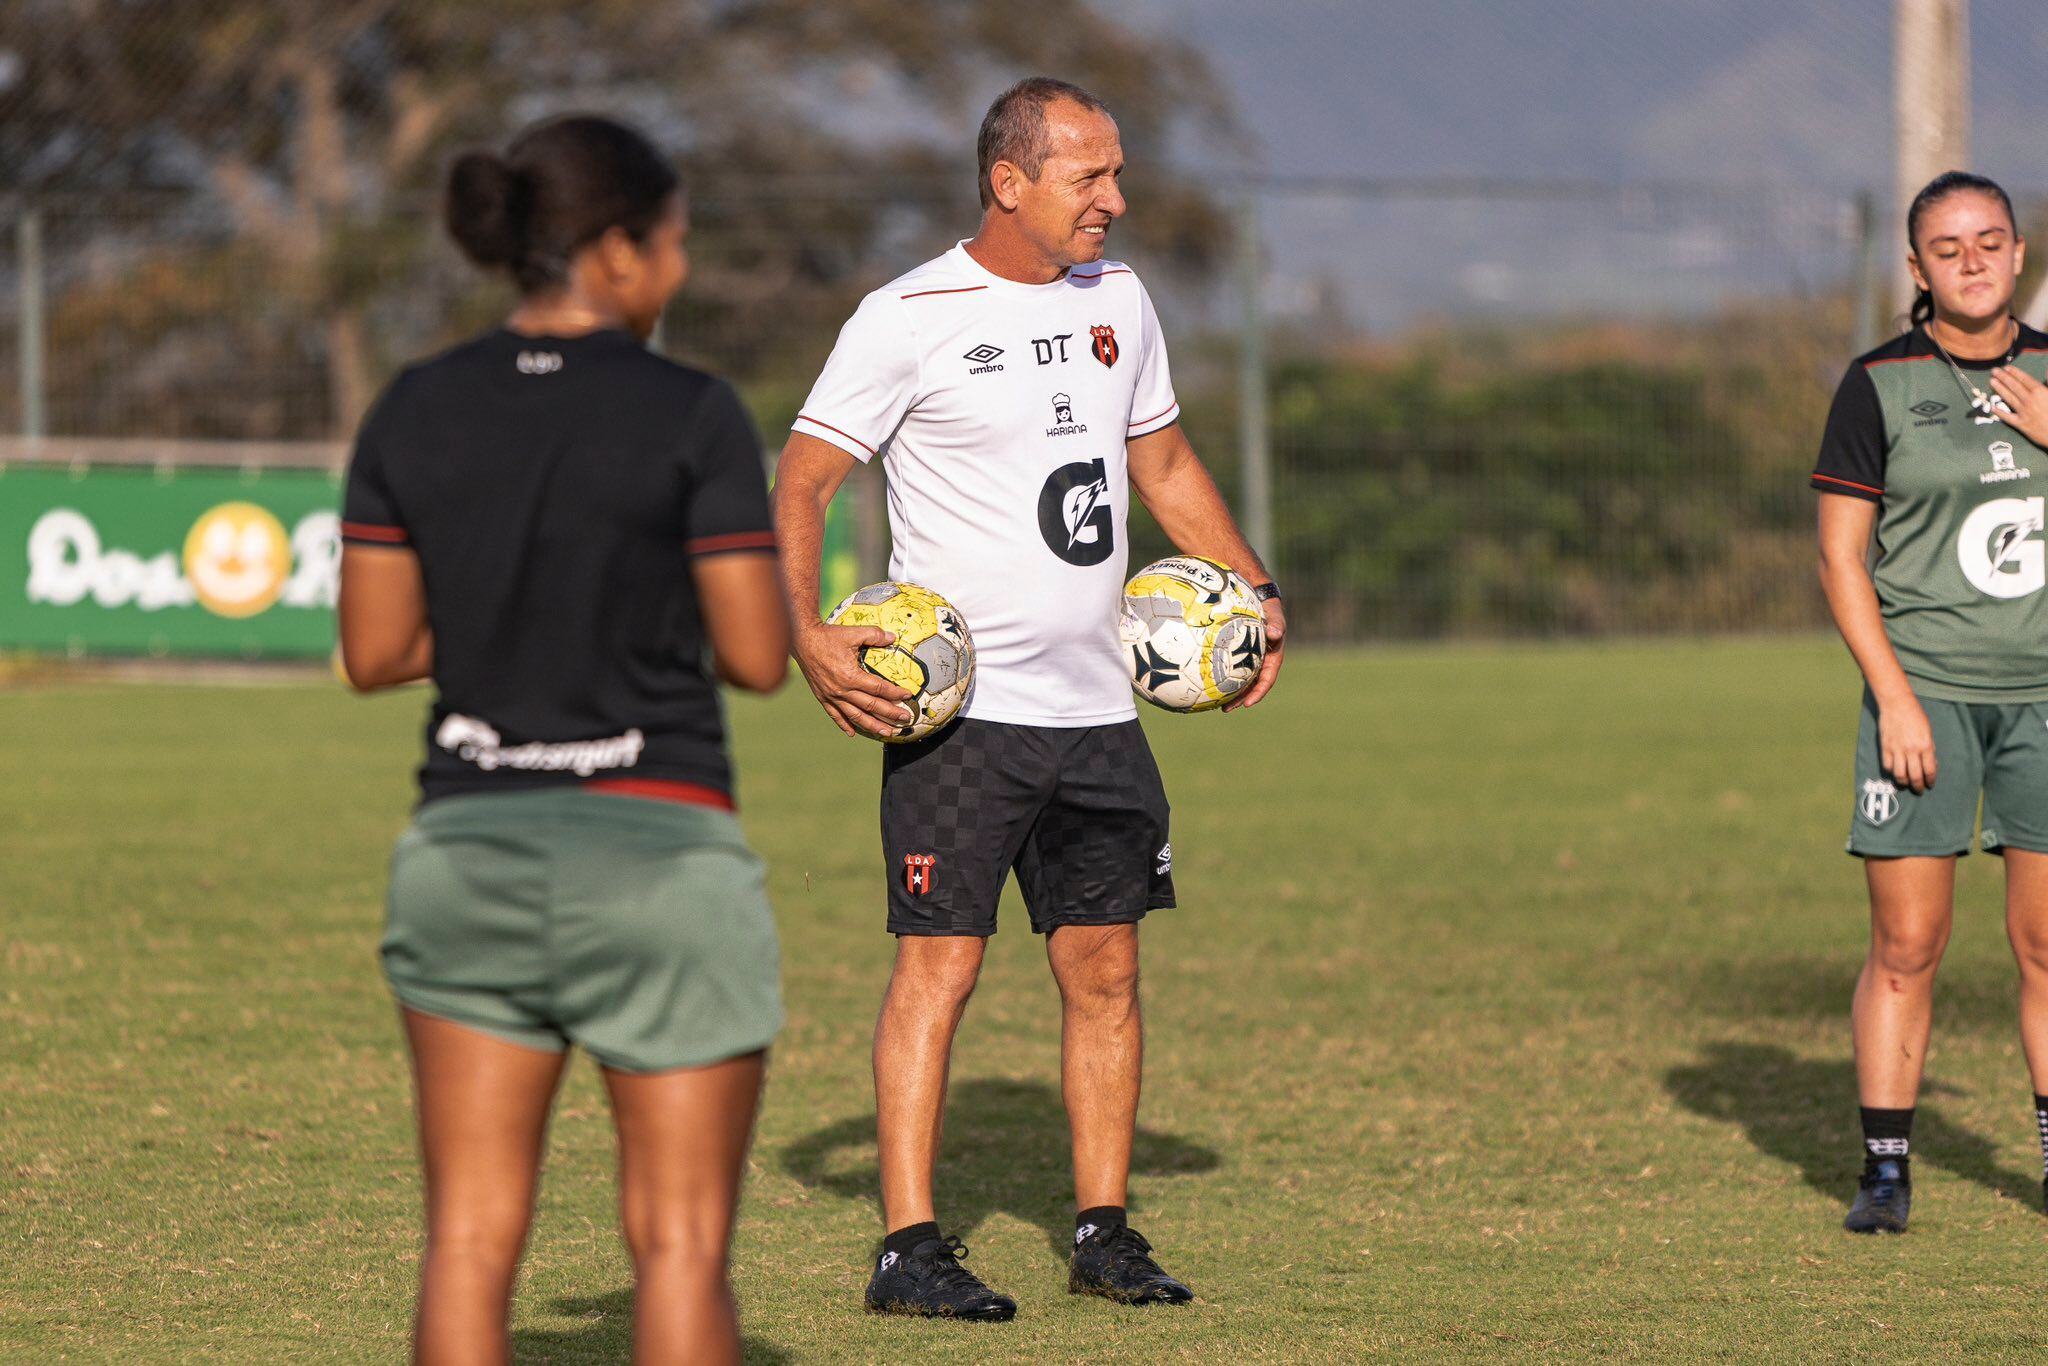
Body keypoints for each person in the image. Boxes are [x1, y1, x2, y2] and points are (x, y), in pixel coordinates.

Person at [772, 76, 1285, 1318]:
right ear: (1010, 182)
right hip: (961, 722)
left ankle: (1102, 1232)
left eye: (1115, 175)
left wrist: (1253, 592)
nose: (1114, 199)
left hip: (1101, 710)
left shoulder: (1124, 301)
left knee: (1104, 968)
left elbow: (1157, 460)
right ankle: (909, 1248)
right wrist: (806, 637)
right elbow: (800, 486)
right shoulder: (906, 315)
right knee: (937, 972)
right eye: (1088, 177)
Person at [336, 114, 791, 1362]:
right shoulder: (693, 413)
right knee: (682, 1248)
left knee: (469, 1246)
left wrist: (504, 613)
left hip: (465, 852)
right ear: (615, 249)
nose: (682, 271)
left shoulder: (413, 407)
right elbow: (757, 657)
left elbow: (374, 653)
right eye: (675, 243)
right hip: (660, 858)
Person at [1812, 170, 2048, 1234]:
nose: (1969, 261)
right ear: (1913, 269)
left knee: (2044, 944)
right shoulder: (1876, 384)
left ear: (2015, 255)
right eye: (1944, 248)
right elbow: (1839, 560)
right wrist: (1894, 700)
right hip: (1925, 700)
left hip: (2041, 701)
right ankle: (1884, 1169)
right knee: (1908, 943)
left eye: (1987, 242)